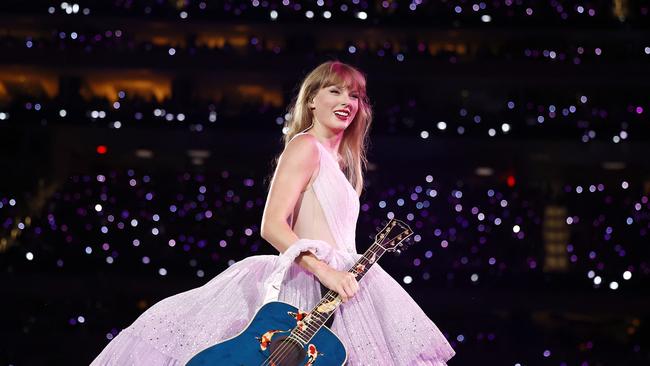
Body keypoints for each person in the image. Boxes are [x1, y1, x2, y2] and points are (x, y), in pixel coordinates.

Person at [90, 61, 455, 365]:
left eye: (356, 95)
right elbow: (272, 225)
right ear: (311, 100)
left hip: (342, 286)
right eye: (336, 91)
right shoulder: (305, 146)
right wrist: (325, 270)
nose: (348, 101)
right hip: (307, 282)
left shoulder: (344, 165)